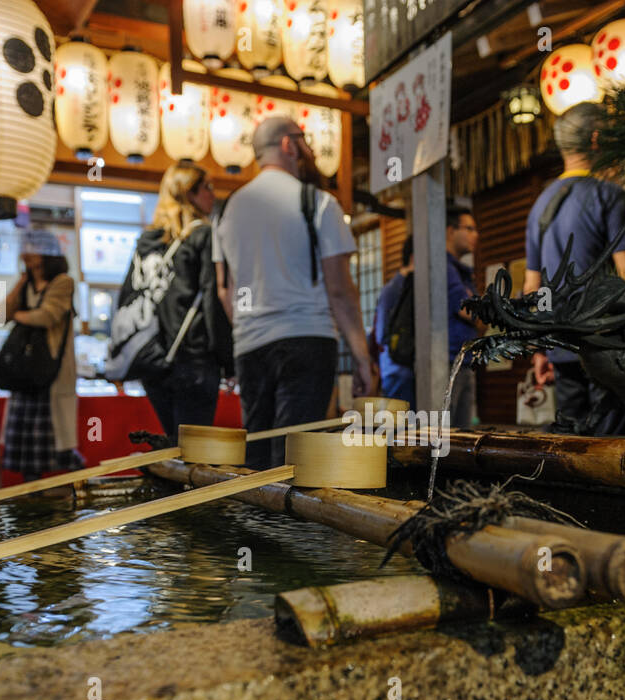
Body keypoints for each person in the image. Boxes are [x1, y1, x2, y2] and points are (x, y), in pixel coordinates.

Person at [213, 115, 376, 469]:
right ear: (289, 145)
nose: (311, 149)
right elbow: (340, 290)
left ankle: (254, 524)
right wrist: (362, 357)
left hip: (250, 346)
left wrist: (249, 325)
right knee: (296, 460)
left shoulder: (228, 210)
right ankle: (289, 527)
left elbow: (225, 290)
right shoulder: (317, 202)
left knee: (257, 455)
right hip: (307, 340)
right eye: (305, 140)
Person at [524, 101, 625, 434]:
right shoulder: (610, 196)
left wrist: (539, 351)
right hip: (608, 347)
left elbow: (531, 288)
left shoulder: (540, 205)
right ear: (596, 139)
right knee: (613, 448)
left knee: (573, 446)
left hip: (562, 349)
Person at [120, 160, 233, 441]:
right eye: (207, 187)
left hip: (152, 362)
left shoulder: (146, 241)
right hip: (192, 360)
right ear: (188, 193)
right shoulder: (202, 235)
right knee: (194, 451)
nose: (213, 194)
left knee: (174, 443)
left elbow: (127, 296)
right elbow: (213, 300)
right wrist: (230, 361)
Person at [1, 231, 83, 481]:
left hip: (52, 371)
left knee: (58, 443)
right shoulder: (25, 284)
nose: (27, 251)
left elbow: (47, 315)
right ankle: (33, 496)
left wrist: (17, 316)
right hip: (25, 374)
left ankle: (74, 488)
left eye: (33, 246)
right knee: (27, 449)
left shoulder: (63, 282)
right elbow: (1, 313)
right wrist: (21, 282)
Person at [445, 205, 484, 427]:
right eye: (468, 228)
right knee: (450, 436)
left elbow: (476, 309)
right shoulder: (446, 267)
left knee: (461, 433)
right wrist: (478, 308)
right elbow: (466, 308)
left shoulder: (460, 270)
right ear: (450, 231)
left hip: (463, 360)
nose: (475, 235)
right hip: (449, 360)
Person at [372, 235, 415, 405]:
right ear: (414, 257)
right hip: (397, 370)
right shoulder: (394, 289)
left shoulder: (403, 285)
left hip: (405, 370)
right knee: (402, 429)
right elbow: (381, 335)